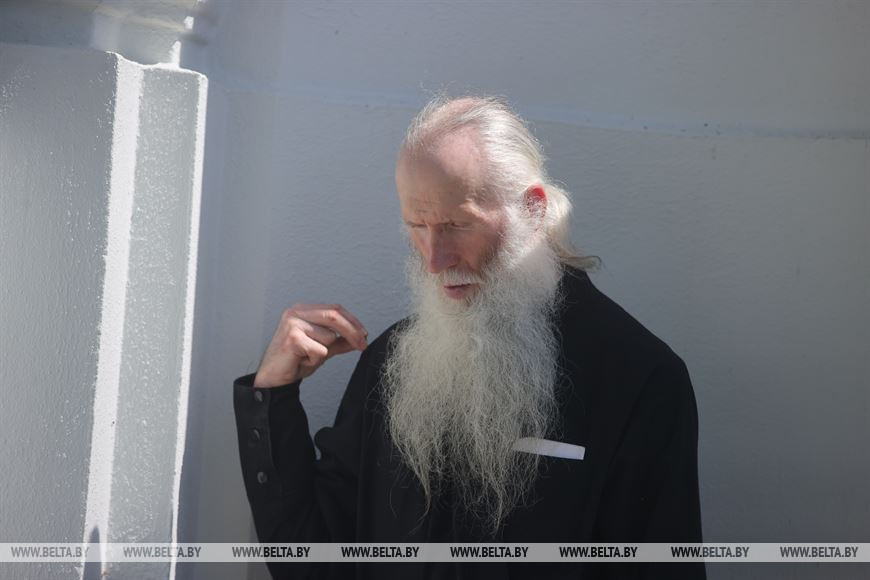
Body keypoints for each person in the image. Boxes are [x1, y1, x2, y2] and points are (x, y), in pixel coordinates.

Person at [233, 95, 705, 579]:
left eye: (456, 226)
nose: (434, 260)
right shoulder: (393, 360)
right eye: (417, 227)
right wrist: (274, 395)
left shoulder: (640, 378)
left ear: (533, 210)